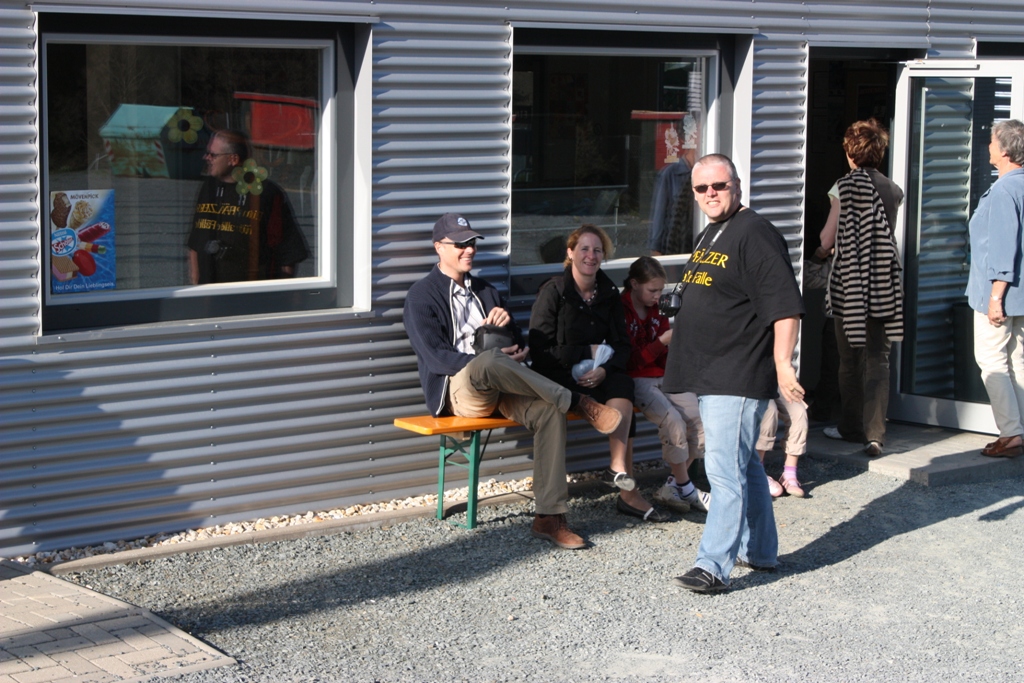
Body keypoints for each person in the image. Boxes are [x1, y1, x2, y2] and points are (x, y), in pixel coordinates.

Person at [404, 213, 623, 549]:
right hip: (460, 391)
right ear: (438, 247)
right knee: (490, 361)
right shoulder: (422, 296)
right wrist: (489, 357)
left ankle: (549, 517)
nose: (469, 250)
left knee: (549, 411)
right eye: (460, 244)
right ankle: (576, 400)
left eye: (472, 243)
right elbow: (436, 358)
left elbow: (520, 345)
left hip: (503, 385)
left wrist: (508, 332)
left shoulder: (487, 291)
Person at [663, 154, 805, 593]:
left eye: (719, 186)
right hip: (712, 371)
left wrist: (782, 364)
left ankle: (712, 566)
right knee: (742, 467)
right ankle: (759, 551)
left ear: (737, 186)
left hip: (737, 372)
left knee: (723, 472)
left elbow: (785, 307)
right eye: (701, 188)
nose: (710, 194)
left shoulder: (756, 233)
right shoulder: (712, 232)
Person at [530, 225, 668, 522]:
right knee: (587, 397)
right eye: (584, 249)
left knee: (623, 384)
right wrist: (585, 352)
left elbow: (622, 346)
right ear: (570, 253)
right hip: (559, 376)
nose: (591, 256)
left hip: (597, 375)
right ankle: (628, 494)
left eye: (597, 250)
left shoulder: (608, 293)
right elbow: (539, 351)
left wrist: (604, 369)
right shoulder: (554, 291)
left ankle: (617, 469)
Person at [816, 119, 904, 457]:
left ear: (850, 152)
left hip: (851, 282)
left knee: (849, 359)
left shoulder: (844, 186)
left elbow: (827, 238)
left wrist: (820, 252)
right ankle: (875, 434)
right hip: (884, 282)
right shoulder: (893, 189)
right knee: (878, 360)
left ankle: (851, 427)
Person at [620, 256, 711, 514]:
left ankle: (673, 485)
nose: (658, 295)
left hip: (663, 373)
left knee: (699, 418)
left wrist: (667, 346)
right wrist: (661, 342)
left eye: (661, 290)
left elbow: (662, 355)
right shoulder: (620, 310)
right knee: (673, 421)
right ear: (634, 284)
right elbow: (630, 361)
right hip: (636, 378)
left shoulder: (658, 308)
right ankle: (686, 487)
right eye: (653, 290)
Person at [966, 119, 1024, 458]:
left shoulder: (1004, 190)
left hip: (1001, 293)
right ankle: (1018, 429)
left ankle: (1012, 433)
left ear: (1004, 151)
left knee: (992, 361)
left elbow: (1003, 247)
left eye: (991, 141)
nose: (988, 146)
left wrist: (995, 297)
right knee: (1017, 360)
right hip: (1021, 295)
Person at [187, 129, 309, 285]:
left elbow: (287, 251)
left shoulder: (265, 193)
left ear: (233, 159)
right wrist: (195, 282)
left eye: (213, 155)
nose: (206, 158)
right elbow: (195, 241)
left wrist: (281, 292)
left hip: (250, 291)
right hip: (209, 290)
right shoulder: (208, 188)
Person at [756, 396, 809, 497]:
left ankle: (789, 474)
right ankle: (757, 471)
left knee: (799, 412)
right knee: (769, 410)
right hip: (754, 388)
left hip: (775, 386)